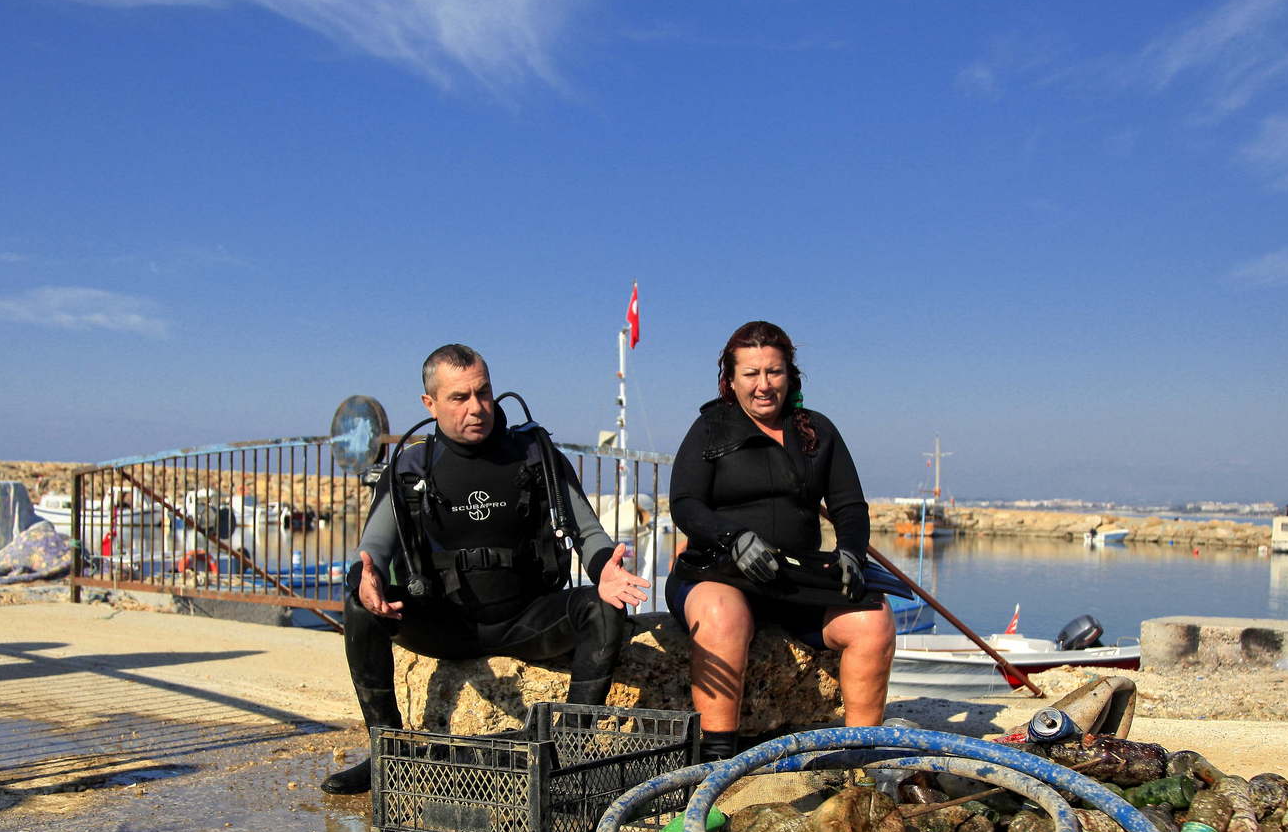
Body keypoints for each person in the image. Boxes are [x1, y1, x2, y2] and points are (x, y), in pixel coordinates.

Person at [324, 343, 650, 793]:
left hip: (524, 619)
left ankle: (569, 752)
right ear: (430, 404)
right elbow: (372, 551)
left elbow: (588, 531)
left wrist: (604, 570)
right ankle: (386, 751)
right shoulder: (411, 466)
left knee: (604, 606)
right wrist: (367, 578)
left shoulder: (535, 455)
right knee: (358, 605)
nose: (477, 408)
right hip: (445, 622)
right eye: (459, 398)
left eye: (484, 393)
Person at [667, 321, 895, 762]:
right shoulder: (709, 429)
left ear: (790, 375)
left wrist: (850, 550)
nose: (763, 385)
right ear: (730, 380)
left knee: (874, 618)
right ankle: (716, 762)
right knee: (722, 615)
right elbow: (686, 505)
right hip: (717, 573)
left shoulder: (817, 432)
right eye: (751, 374)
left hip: (792, 579)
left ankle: (859, 760)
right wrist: (734, 538)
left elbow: (849, 506)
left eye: (773, 372)